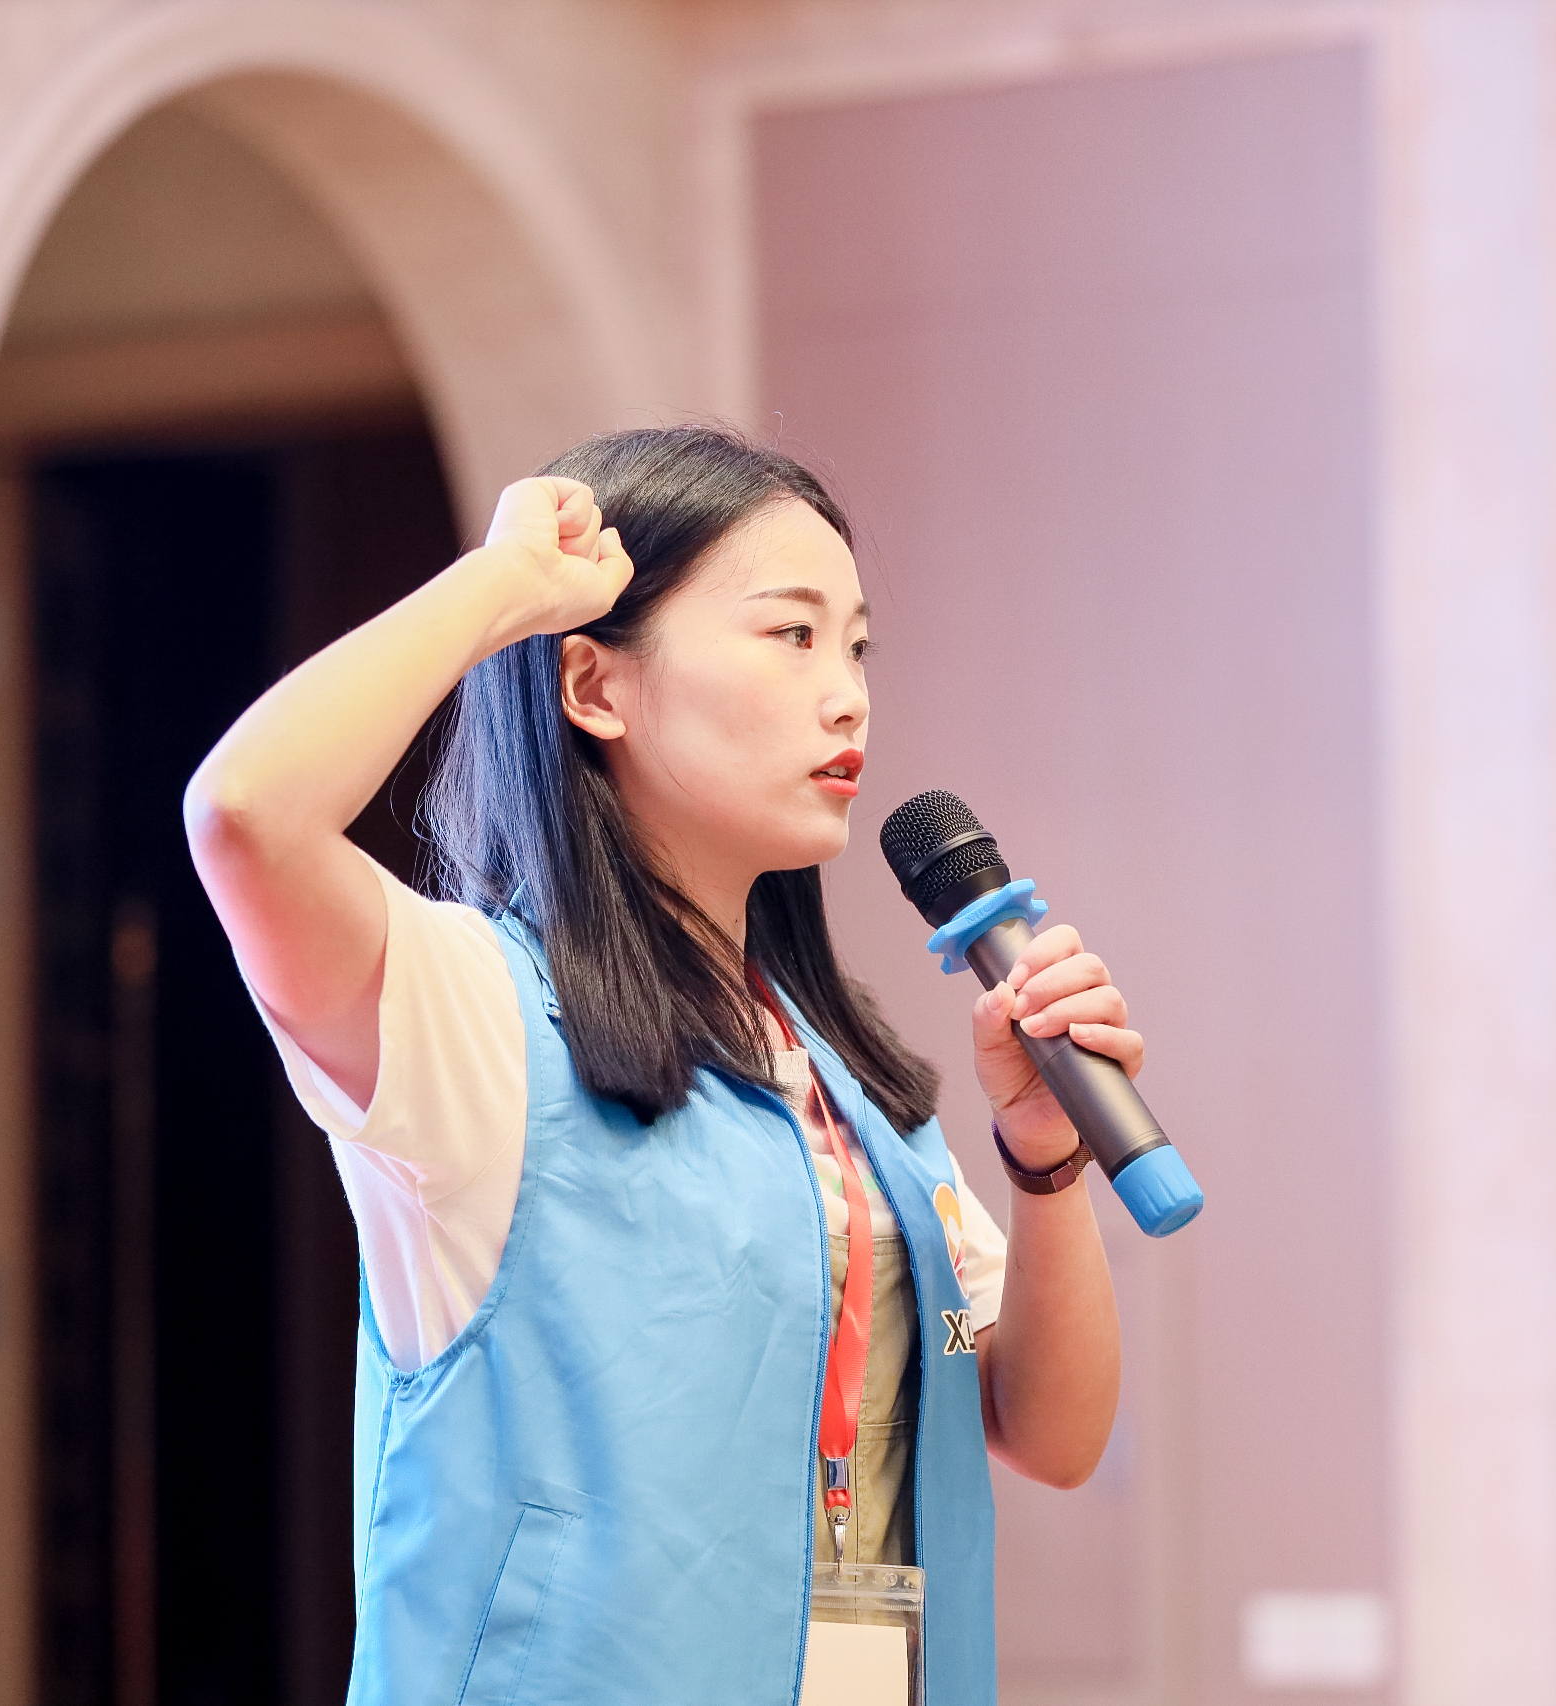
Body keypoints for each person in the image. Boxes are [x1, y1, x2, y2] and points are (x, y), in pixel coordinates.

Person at [185, 425, 1132, 1704]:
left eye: (856, 646)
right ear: (594, 685)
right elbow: (246, 814)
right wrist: (504, 586)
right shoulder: (482, 1012)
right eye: (791, 634)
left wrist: (1046, 1158)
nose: (847, 695)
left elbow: (1054, 1432)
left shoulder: (848, 1086)